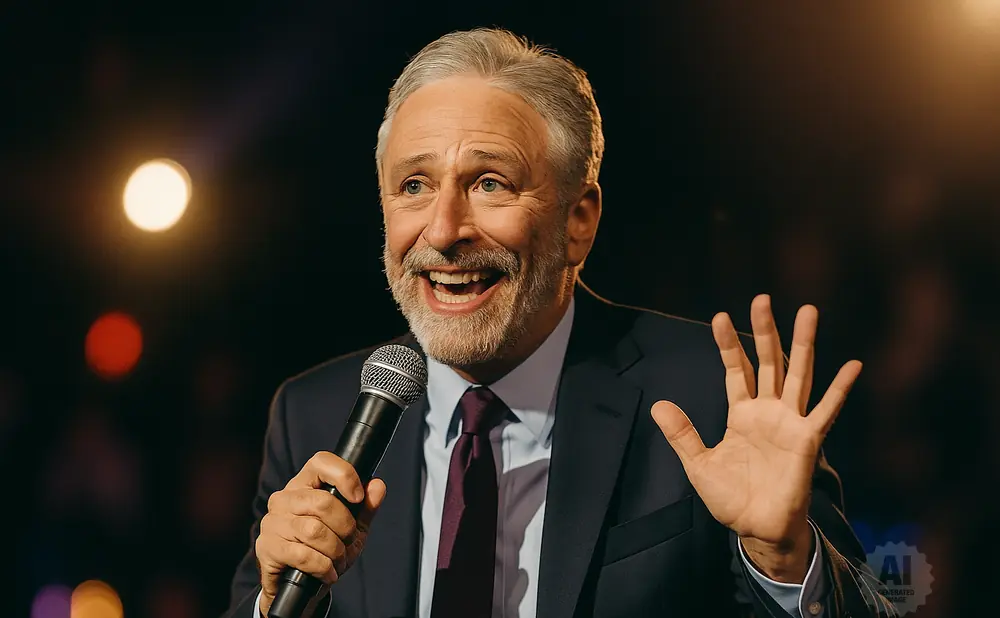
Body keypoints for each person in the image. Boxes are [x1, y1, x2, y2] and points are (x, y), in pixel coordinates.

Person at [223, 28, 896, 618]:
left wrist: (783, 561)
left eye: (490, 183)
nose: (445, 229)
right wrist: (276, 606)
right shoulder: (314, 415)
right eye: (414, 186)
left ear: (579, 221)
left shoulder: (715, 394)